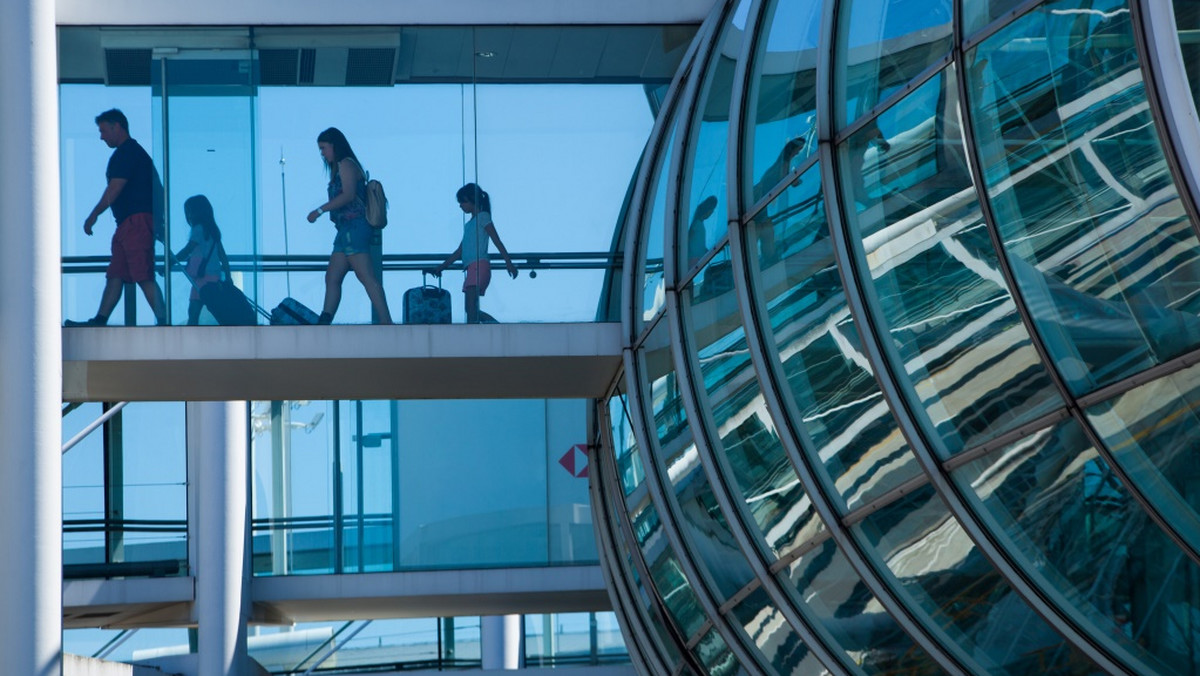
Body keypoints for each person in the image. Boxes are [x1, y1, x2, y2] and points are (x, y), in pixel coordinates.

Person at [66, 109, 168, 326]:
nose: (101, 136)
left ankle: (163, 321)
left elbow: (115, 188)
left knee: (142, 272)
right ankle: (100, 319)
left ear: (117, 126)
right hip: (129, 224)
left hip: (136, 223)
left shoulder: (128, 153)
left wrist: (94, 214)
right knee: (116, 273)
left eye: (103, 130)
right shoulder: (134, 154)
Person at [306, 127, 393, 325]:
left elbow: (348, 195)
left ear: (334, 146)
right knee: (332, 276)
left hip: (355, 227)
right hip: (345, 229)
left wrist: (320, 211)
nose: (322, 153)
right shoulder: (340, 168)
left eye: (324, 148)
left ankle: (386, 321)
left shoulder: (346, 164)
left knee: (365, 275)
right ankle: (325, 319)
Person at [428, 183, 518, 323]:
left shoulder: (483, 217)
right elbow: (460, 251)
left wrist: (509, 263)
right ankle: (494, 327)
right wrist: (440, 267)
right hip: (472, 268)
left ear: (472, 200)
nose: (461, 205)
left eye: (463, 202)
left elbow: (497, 241)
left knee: (471, 310)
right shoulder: (469, 224)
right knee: (470, 309)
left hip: (479, 266)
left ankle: (490, 329)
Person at [175, 195, 229, 326]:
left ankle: (190, 339)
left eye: (189, 211)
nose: (188, 215)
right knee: (218, 311)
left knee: (193, 313)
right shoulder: (213, 231)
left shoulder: (198, 229)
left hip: (201, 279)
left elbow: (188, 249)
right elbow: (223, 256)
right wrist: (228, 277)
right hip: (214, 277)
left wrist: (171, 261)